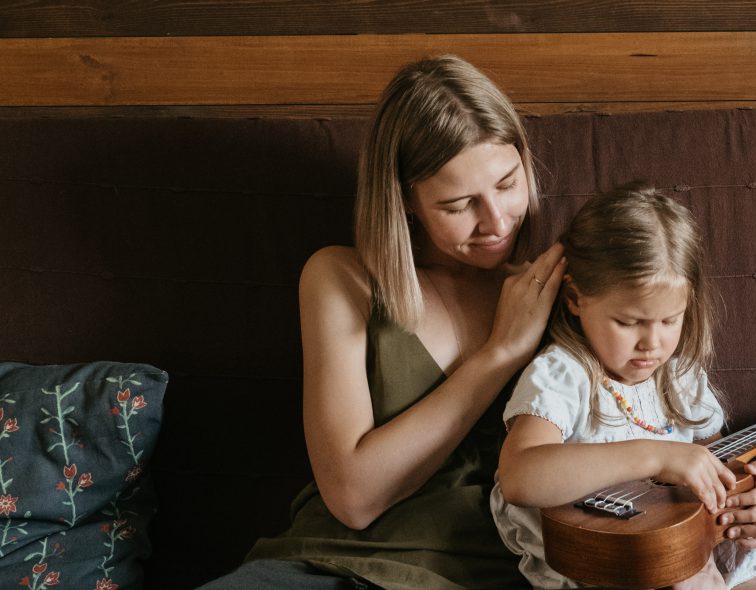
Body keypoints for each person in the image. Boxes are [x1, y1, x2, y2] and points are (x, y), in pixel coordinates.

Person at [199, 54, 565, 589]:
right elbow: (353, 497)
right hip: (326, 564)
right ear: (405, 201)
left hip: (479, 574)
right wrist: (501, 353)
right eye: (459, 204)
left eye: (508, 184)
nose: (495, 221)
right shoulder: (341, 278)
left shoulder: (553, 289)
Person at [490, 183, 756, 589]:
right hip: (619, 573)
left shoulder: (679, 374)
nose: (652, 343)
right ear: (576, 299)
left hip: (702, 549)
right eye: (629, 322)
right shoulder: (565, 374)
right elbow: (520, 476)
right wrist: (655, 456)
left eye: (670, 321)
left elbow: (720, 466)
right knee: (687, 577)